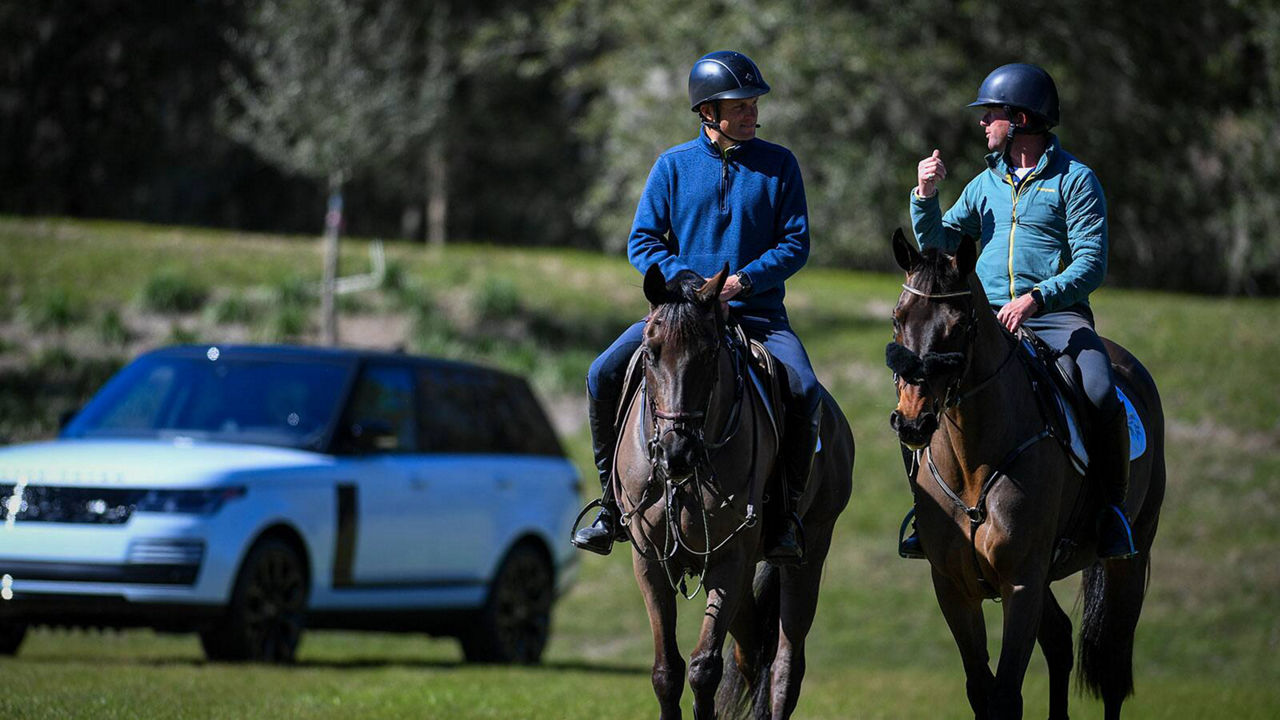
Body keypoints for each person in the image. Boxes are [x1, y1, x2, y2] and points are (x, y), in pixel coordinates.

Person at [571, 50, 821, 566]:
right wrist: (685, 281)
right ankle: (612, 509)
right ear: (708, 113)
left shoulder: (780, 166)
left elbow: (795, 243)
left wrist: (745, 281)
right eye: (741, 105)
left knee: (804, 387)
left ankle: (784, 518)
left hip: (757, 316)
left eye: (755, 104)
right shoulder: (671, 167)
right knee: (601, 374)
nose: (753, 113)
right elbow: (642, 241)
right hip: (681, 318)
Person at [899, 62, 1137, 561]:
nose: (984, 123)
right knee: (920, 386)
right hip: (986, 321)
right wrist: (924, 196)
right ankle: (928, 514)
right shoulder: (984, 184)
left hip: (1057, 318)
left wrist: (1035, 299)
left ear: (1022, 120)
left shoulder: (1076, 180)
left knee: (1097, 389)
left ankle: (1111, 512)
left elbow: (1092, 264)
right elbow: (941, 242)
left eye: (992, 114)